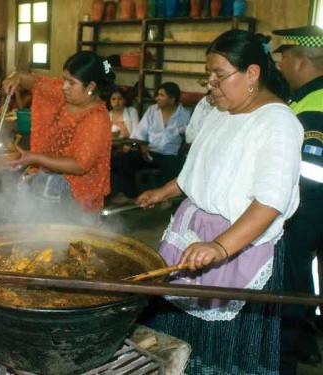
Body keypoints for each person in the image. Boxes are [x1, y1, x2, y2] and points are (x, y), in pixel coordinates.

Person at [136, 29, 303, 374]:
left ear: (252, 73)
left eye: (219, 75)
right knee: (180, 332)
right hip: (193, 235)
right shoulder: (221, 112)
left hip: (238, 243)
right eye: (208, 73)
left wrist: (221, 247)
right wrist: (165, 192)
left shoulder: (278, 122)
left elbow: (270, 202)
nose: (210, 83)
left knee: (220, 347)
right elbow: (198, 170)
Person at [1, 51, 115, 223]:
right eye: (64, 79)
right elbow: (37, 82)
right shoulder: (66, 94)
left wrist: (33, 157)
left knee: (64, 242)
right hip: (47, 182)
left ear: (90, 87)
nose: (64, 86)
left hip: (75, 198)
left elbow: (80, 165)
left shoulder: (96, 119)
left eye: (71, 83)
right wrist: (16, 77)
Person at [273, 25, 323, 374]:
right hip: (312, 208)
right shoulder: (305, 97)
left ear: (302, 60)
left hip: (306, 210)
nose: (280, 65)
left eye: (284, 57)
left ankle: (284, 361)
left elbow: (312, 172)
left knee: (291, 285)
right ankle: (307, 345)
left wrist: (279, 208)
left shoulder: (313, 105)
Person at [111, 82, 191, 203]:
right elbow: (140, 132)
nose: (157, 98)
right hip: (148, 151)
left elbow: (188, 135)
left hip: (169, 155)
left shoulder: (184, 114)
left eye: (161, 95)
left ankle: (168, 199)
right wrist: (140, 146)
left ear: (172, 99)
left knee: (175, 165)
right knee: (126, 158)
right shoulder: (152, 111)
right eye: (157, 95)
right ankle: (130, 196)